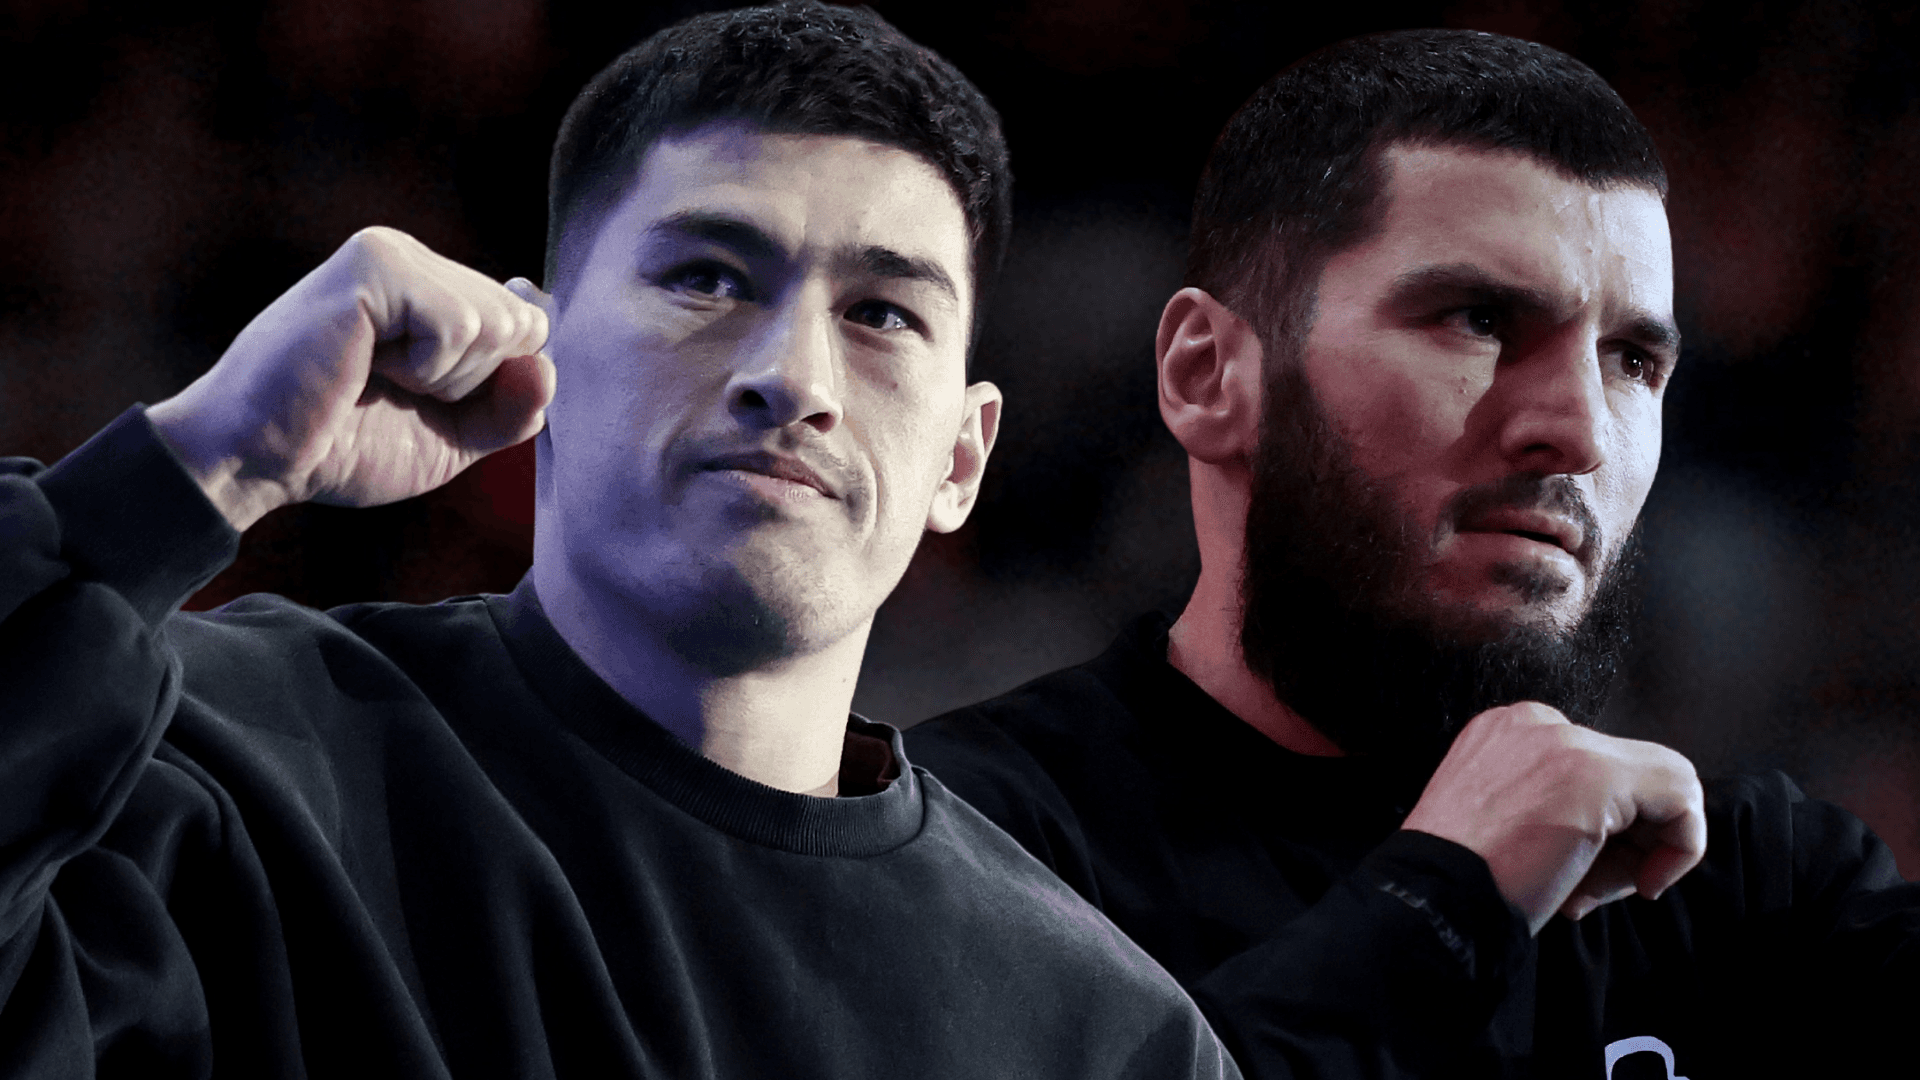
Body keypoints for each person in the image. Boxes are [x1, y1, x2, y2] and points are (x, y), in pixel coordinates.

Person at [0, 4, 1241, 1077]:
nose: (792, 377)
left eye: (881, 313)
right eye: (708, 278)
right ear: (532, 348)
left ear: (961, 460)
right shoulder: (205, 764)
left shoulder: (1111, 1040)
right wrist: (203, 461)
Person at [906, 28, 1920, 1079]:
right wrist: (1445, 901)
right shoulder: (958, 844)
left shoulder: (1752, 886)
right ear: (1209, 376)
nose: (1581, 431)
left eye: (1631, 361)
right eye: (1478, 320)